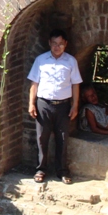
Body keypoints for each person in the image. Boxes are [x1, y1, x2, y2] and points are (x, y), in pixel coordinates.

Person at [28, 29, 82, 184]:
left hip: (63, 106)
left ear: (65, 44)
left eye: (60, 44)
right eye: (54, 43)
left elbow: (76, 85)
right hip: (43, 104)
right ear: (49, 43)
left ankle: (62, 171)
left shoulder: (71, 61)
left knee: (63, 139)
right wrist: (31, 103)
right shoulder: (41, 60)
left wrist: (75, 106)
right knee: (41, 138)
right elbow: (34, 83)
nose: (57, 47)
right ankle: (41, 169)